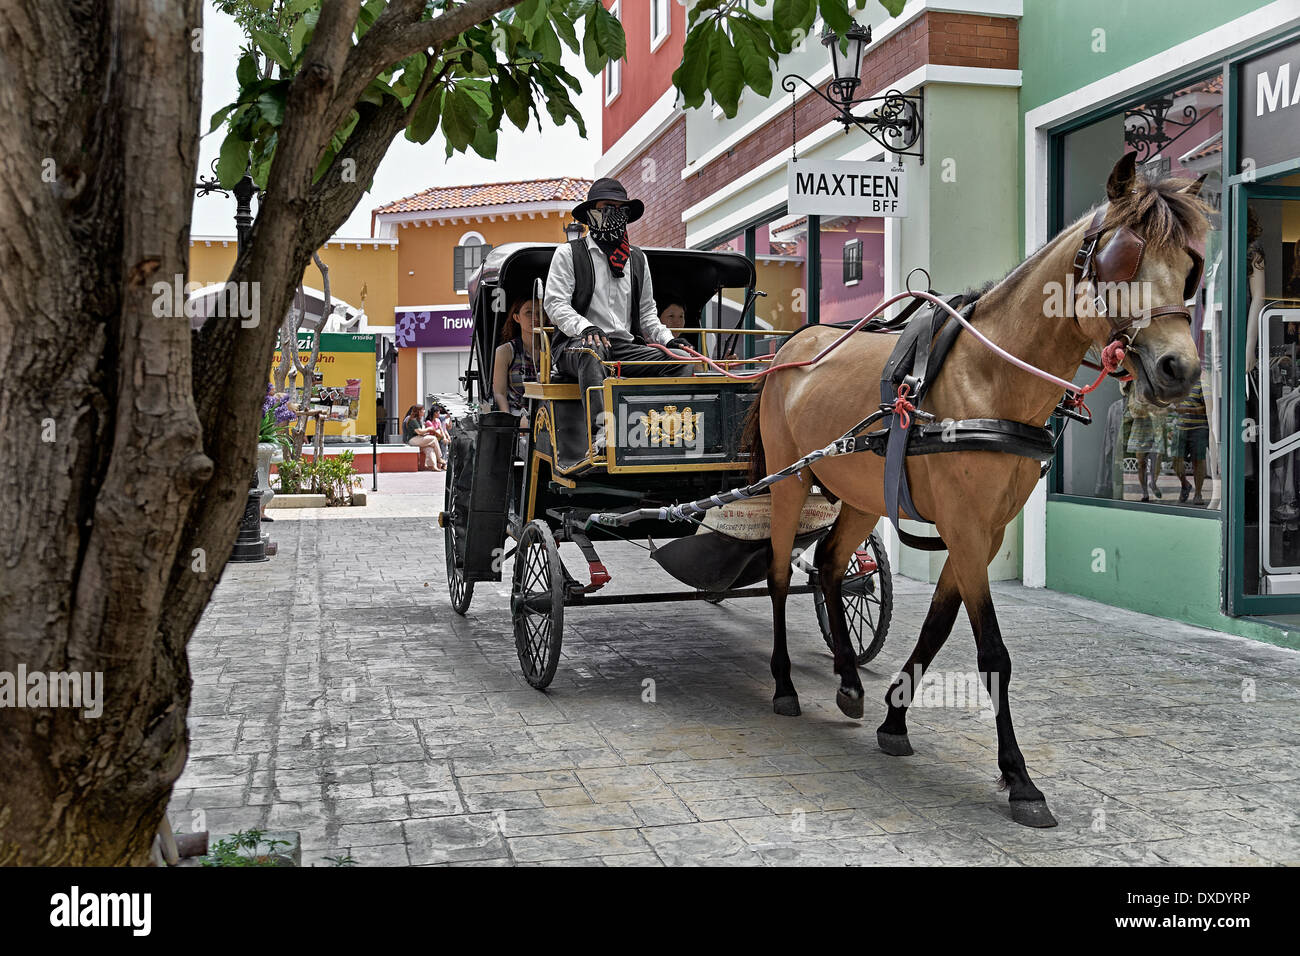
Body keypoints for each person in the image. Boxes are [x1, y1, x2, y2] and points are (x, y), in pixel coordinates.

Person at [544, 178, 694, 452]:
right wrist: (586, 328)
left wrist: (669, 341)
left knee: (681, 360)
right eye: (606, 207)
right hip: (575, 345)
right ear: (591, 213)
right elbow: (555, 304)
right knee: (593, 353)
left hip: (624, 347)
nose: (614, 214)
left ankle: (667, 431)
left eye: (619, 208)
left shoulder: (637, 259)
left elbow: (648, 314)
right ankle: (604, 437)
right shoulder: (568, 253)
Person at [493, 298, 542, 422]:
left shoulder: (552, 351)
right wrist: (509, 420)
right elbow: (499, 393)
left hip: (546, 414)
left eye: (540, 313)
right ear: (517, 318)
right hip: (516, 413)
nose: (535, 317)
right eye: (528, 312)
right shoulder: (505, 351)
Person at [402, 403, 443, 471]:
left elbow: (421, 432)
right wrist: (429, 429)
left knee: (429, 448)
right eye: (423, 410)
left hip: (418, 439)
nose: (424, 411)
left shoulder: (418, 420)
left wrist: (426, 432)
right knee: (434, 439)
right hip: (413, 440)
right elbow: (419, 431)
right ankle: (439, 458)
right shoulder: (412, 420)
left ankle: (432, 466)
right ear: (419, 411)